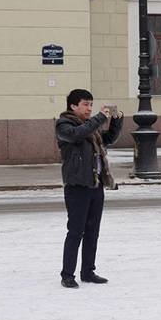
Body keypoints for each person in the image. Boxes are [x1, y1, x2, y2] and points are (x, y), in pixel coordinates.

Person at [56, 89, 124, 289]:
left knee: (92, 231)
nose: (89, 108)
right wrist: (99, 118)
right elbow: (77, 135)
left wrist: (116, 120)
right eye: (85, 104)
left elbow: (109, 138)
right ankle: (67, 274)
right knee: (75, 231)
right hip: (77, 186)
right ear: (73, 106)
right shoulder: (64, 125)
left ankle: (88, 271)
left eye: (91, 105)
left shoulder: (90, 127)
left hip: (95, 184)